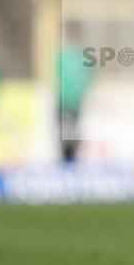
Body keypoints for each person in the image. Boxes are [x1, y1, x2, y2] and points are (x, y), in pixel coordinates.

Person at [56, 21, 94, 163]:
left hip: (75, 102)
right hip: (64, 101)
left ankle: (71, 160)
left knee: (73, 133)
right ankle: (65, 160)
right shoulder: (62, 54)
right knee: (65, 133)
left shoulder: (82, 55)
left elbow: (89, 76)